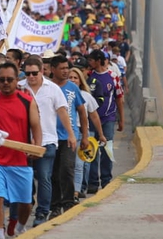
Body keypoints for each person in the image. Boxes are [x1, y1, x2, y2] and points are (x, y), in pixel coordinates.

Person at [0, 62, 42, 239]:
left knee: (25, 203)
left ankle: (19, 227)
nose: (6, 83)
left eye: (10, 79)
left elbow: (36, 127)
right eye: (2, 80)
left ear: (17, 80)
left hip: (21, 161)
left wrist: (36, 147)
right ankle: (0, 236)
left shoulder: (27, 101)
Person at [19, 55, 71, 226]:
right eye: (28, 73)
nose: (31, 77)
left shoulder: (53, 89)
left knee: (44, 177)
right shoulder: (19, 88)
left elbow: (62, 111)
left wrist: (71, 134)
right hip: (23, 142)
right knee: (25, 179)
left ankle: (42, 213)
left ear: (42, 71)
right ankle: (26, 207)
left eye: (34, 73)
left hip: (47, 140)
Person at [49, 56, 86, 217]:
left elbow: (82, 113)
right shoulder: (47, 87)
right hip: (50, 137)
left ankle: (68, 203)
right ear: (53, 69)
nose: (65, 71)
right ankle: (55, 206)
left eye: (67, 68)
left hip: (69, 137)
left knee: (67, 169)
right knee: (53, 173)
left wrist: (84, 136)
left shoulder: (73, 88)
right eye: (62, 68)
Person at [70, 67, 106, 199]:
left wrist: (101, 134)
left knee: (79, 165)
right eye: (70, 77)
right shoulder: (61, 93)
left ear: (80, 80)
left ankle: (75, 192)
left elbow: (94, 116)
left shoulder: (86, 96)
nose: (73, 80)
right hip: (65, 134)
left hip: (81, 134)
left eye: (75, 78)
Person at [86, 49, 118, 194]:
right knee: (92, 150)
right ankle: (93, 182)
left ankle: (106, 180)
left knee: (107, 149)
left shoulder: (112, 76)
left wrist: (121, 119)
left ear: (98, 60)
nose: (89, 63)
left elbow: (119, 98)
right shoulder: (88, 76)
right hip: (92, 119)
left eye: (91, 60)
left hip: (108, 119)